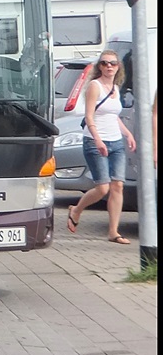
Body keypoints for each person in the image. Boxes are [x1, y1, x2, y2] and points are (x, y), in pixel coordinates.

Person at [66, 50, 137, 244]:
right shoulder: (94, 86)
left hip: (116, 142)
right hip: (95, 141)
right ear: (99, 66)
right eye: (105, 63)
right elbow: (89, 116)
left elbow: (113, 116)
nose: (109, 67)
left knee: (118, 186)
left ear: (118, 67)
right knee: (103, 188)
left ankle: (113, 232)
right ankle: (77, 209)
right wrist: (97, 139)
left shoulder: (115, 88)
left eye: (113, 63)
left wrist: (127, 133)